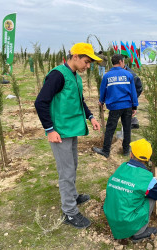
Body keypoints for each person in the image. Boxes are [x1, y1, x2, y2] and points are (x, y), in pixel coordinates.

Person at [35, 43, 101, 229]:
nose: (87, 66)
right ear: (75, 56)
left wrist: (91, 117)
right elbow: (40, 102)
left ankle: (72, 196)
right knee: (66, 172)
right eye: (86, 62)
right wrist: (50, 129)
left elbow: (79, 101)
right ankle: (70, 212)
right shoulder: (58, 75)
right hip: (60, 132)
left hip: (72, 129)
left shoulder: (75, 76)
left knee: (73, 165)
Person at [103, 138, 157, 242]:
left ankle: (121, 225)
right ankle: (138, 232)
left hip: (111, 216)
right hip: (126, 221)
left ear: (131, 154)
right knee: (151, 197)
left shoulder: (122, 167)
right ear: (148, 159)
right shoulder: (147, 179)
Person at [92, 54, 138, 158]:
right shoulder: (128, 75)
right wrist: (134, 106)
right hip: (127, 106)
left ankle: (106, 150)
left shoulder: (107, 76)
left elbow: (103, 90)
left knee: (110, 128)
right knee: (127, 128)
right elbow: (133, 92)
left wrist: (101, 101)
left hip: (114, 106)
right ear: (121, 62)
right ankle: (126, 150)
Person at [124, 64, 143, 129]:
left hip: (130, 97)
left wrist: (134, 97)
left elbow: (139, 88)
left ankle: (133, 122)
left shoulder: (132, 75)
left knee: (130, 110)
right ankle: (133, 122)